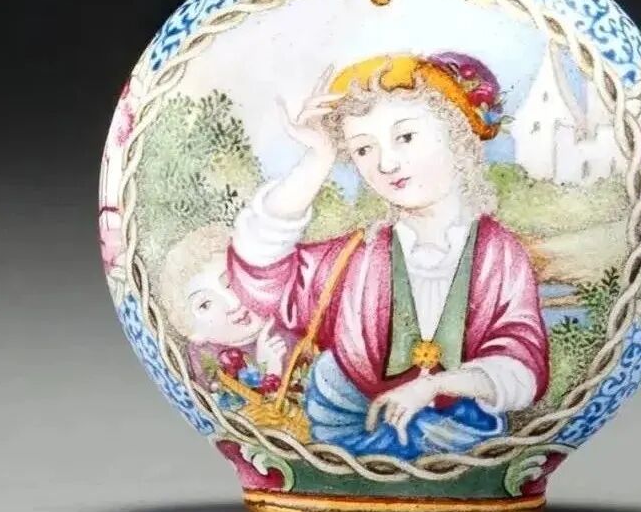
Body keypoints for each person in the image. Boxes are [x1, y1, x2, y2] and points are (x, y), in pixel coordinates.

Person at [227, 52, 549, 459]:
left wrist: (435, 386)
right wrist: (318, 160)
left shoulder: (498, 255)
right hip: (350, 432)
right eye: (363, 149)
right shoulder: (355, 257)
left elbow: (522, 360)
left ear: (457, 136)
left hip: (459, 438)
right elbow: (259, 270)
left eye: (406, 137)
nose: (386, 163)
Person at [158, 226, 291, 401]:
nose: (233, 304)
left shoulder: (288, 323)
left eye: (231, 282)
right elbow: (241, 410)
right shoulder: (209, 360)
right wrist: (268, 372)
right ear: (193, 332)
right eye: (205, 304)